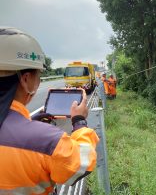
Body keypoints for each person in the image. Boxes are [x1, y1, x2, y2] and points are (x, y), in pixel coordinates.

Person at [0, 27, 99, 194]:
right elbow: (82, 164)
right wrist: (79, 122)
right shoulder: (45, 140)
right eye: (38, 76)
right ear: (26, 80)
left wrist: (28, 124)